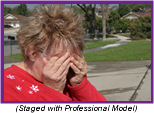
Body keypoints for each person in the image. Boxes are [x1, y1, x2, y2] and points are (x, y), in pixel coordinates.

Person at [4, 4, 106, 101]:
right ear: (32, 52)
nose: (66, 67)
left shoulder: (69, 78)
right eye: (59, 59)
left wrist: (80, 86)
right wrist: (53, 92)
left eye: (70, 59)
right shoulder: (6, 86)